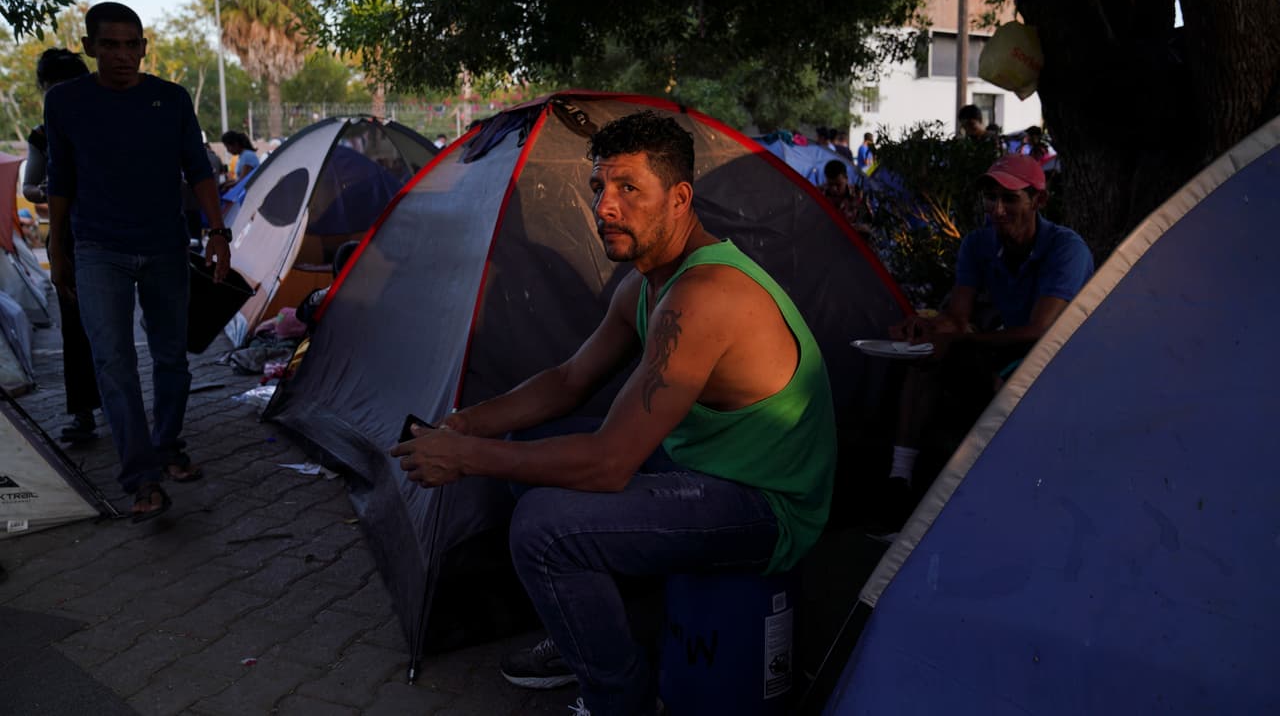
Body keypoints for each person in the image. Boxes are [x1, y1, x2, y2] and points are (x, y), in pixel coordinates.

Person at [391, 110, 836, 716]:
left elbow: (607, 465)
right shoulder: (650, 281)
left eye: (629, 189)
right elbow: (569, 380)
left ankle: (618, 699)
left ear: (679, 199)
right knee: (532, 439)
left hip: (765, 503)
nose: (604, 206)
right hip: (703, 464)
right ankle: (589, 627)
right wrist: (468, 424)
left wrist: (466, 458)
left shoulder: (705, 296)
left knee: (543, 529)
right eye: (600, 186)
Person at [44, 1, 233, 523]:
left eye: (132, 44)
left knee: (171, 357)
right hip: (97, 249)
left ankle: (167, 446)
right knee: (114, 363)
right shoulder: (65, 102)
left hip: (166, 248)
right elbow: (61, 181)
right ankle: (140, 477)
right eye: (110, 45)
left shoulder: (169, 100)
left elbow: (198, 170)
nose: (123, 55)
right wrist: (57, 252)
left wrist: (218, 235)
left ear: (145, 47)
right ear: (90, 47)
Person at [868, 154, 1093, 535]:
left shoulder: (1065, 249)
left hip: (1065, 359)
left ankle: (1002, 508)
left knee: (1001, 381)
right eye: (991, 199)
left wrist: (957, 338)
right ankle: (899, 481)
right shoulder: (978, 244)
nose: (998, 210)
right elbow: (958, 316)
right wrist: (925, 327)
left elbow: (1041, 331)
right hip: (1009, 349)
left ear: (1038, 200)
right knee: (925, 357)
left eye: (1010, 199)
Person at [22, 48, 102, 445]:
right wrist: (49, 190)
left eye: (67, 86)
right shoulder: (40, 135)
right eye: (53, 88)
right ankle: (84, 412)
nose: (60, 96)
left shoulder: (107, 121)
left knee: (111, 322)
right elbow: (29, 186)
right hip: (67, 237)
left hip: (109, 232)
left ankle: (124, 406)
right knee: (74, 324)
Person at [822, 159, 870, 233]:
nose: (834, 189)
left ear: (846, 179)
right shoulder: (819, 195)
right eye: (830, 184)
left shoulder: (858, 195)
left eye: (838, 185)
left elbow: (868, 223)